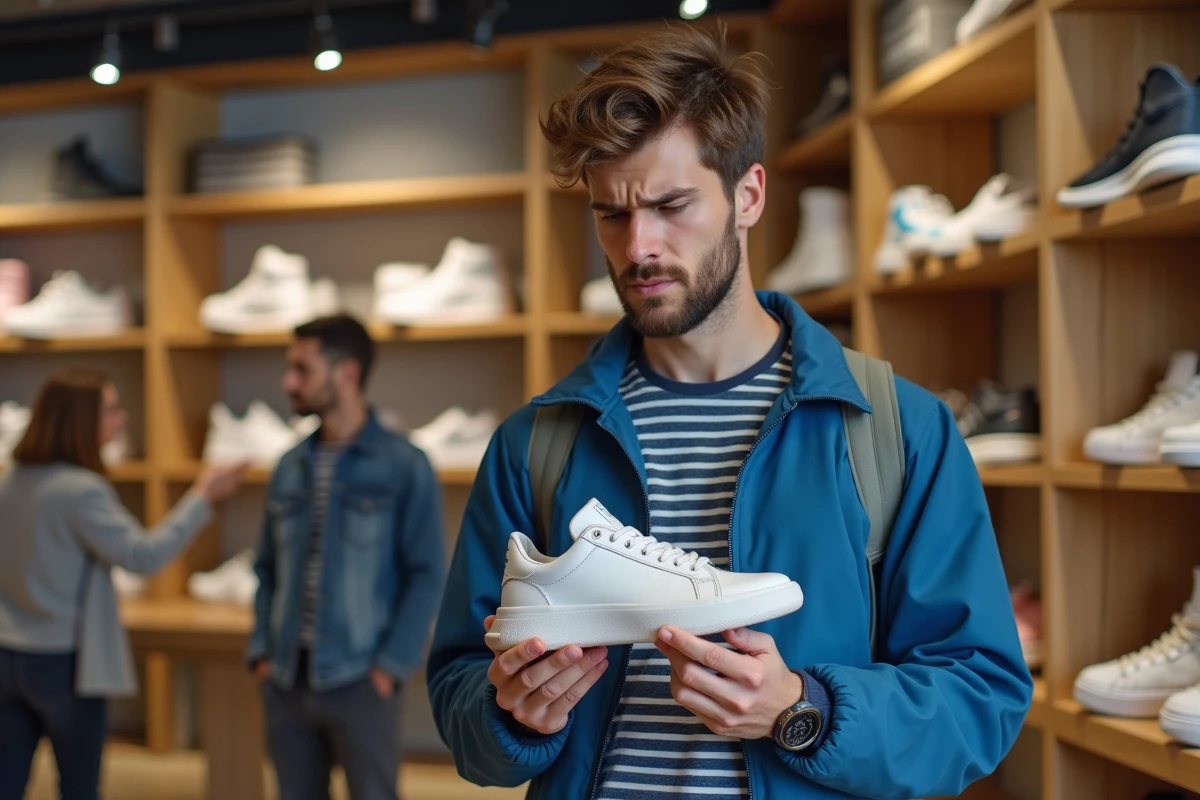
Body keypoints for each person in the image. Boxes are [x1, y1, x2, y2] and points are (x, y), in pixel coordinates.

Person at [427, 24, 1033, 800]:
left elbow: (981, 701)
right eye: (612, 214)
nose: (639, 246)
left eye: (671, 204)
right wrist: (512, 716)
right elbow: (459, 693)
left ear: (748, 195)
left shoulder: (896, 431)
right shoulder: (536, 443)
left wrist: (803, 710)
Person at [0, 369, 244, 800]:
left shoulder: (11, 480)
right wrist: (203, 496)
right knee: (78, 787)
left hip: (8, 652)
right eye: (111, 410)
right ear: (81, 420)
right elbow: (143, 556)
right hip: (63, 661)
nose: (122, 419)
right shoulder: (81, 491)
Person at [246, 313, 447, 800]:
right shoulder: (289, 465)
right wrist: (262, 654)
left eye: (302, 369)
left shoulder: (405, 465)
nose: (288, 381)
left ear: (347, 374)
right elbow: (267, 569)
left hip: (362, 682)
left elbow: (426, 574)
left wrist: (391, 668)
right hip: (287, 679)